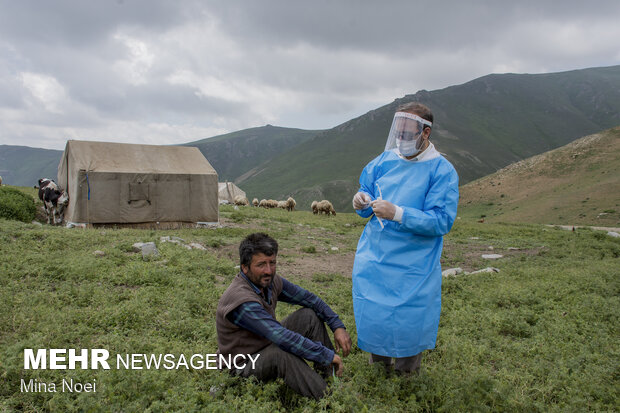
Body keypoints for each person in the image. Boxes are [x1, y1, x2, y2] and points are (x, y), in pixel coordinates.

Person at [351, 102, 459, 374]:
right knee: (376, 315)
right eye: (398, 133)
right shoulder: (384, 161)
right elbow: (367, 189)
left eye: (408, 134)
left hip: (414, 265)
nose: (401, 139)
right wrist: (360, 200)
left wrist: (398, 213)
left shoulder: (441, 171)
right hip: (375, 258)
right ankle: (377, 373)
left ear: (425, 133)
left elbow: (441, 220)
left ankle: (407, 378)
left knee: (409, 320)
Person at [216, 232, 352, 399]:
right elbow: (281, 337)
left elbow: (309, 299)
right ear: (245, 267)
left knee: (309, 316)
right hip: (241, 365)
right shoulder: (242, 301)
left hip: (264, 346)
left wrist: (336, 325)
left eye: (272, 263)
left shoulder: (269, 282)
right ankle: (330, 399)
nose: (268, 270)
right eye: (261, 265)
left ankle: (331, 378)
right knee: (281, 353)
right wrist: (325, 354)